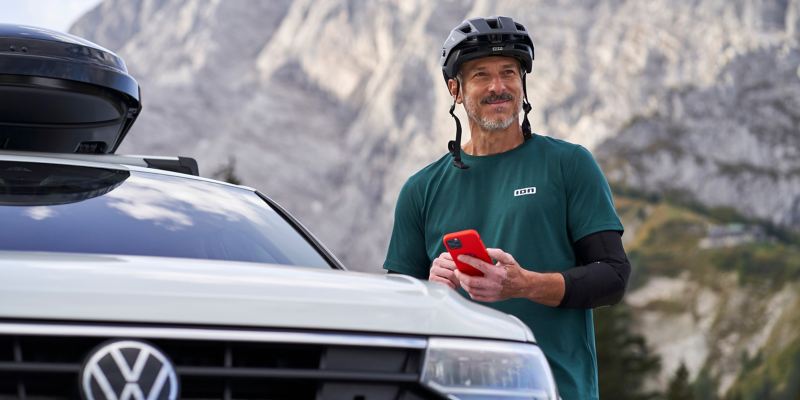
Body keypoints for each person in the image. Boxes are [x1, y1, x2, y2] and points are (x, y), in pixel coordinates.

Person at [383, 16, 631, 400]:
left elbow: (613, 277)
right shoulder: (421, 189)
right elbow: (393, 315)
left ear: (522, 83)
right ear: (456, 90)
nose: (498, 87)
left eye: (509, 73)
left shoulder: (570, 164)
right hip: (450, 391)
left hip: (554, 390)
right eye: (481, 75)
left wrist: (523, 284)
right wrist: (429, 292)